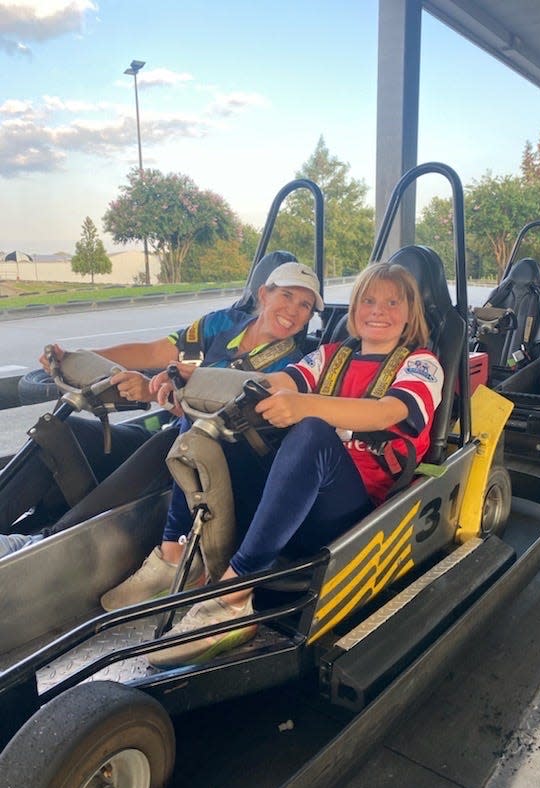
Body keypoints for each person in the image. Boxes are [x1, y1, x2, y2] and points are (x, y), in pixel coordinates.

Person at [147, 262, 444, 668]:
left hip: (355, 510)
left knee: (312, 433)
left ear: (410, 313)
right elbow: (274, 383)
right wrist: (196, 381)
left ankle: (234, 599)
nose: (379, 310)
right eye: (370, 300)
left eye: (393, 302)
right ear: (355, 309)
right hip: (297, 496)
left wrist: (307, 407)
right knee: (203, 427)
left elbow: (386, 413)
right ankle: (178, 551)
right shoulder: (330, 355)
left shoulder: (422, 365)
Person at [0, 262, 324, 567]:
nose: (293, 311)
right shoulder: (221, 324)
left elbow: (224, 418)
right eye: (287, 296)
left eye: (305, 306)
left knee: (175, 437)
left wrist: (150, 392)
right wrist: (78, 357)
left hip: (210, 459)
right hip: (170, 431)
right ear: (264, 294)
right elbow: (154, 352)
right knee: (63, 430)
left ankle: (38, 547)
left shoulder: (291, 368)